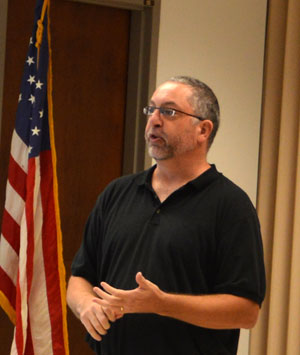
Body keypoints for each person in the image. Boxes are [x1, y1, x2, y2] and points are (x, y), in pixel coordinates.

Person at [67, 76, 266, 355]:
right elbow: (79, 278)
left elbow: (245, 312)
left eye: (169, 111)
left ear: (203, 130)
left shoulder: (231, 205)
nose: (154, 120)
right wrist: (86, 306)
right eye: (151, 109)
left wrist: (162, 304)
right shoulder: (117, 193)